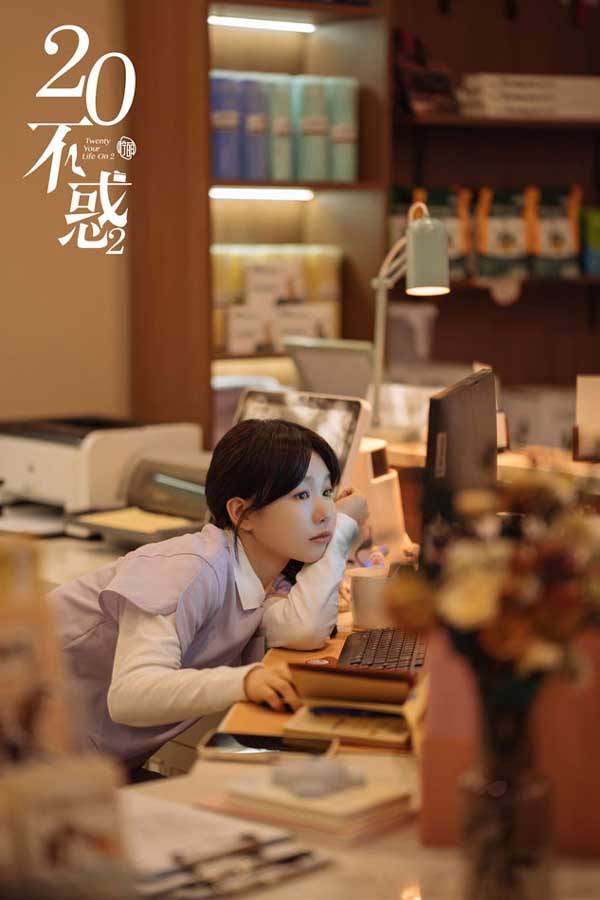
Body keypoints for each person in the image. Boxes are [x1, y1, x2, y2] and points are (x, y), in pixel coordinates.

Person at [49, 419, 367, 776]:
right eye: (302, 496)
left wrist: (340, 536)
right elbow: (129, 695)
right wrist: (246, 681)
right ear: (241, 513)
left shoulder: (259, 581)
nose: (325, 513)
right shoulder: (189, 568)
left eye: (327, 492)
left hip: (78, 768)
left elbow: (302, 628)